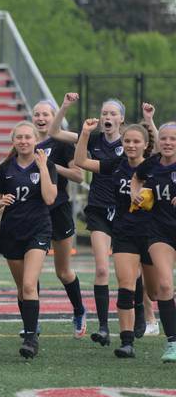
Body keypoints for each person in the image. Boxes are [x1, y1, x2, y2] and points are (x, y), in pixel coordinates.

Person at [50, 94, 157, 338]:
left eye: (112, 113)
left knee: (136, 273)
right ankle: (103, 327)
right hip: (99, 209)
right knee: (101, 269)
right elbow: (55, 131)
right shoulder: (93, 138)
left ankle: (141, 314)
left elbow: (157, 148)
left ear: (121, 118)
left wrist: (150, 121)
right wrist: (66, 106)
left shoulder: (132, 143)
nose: (107, 117)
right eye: (104, 113)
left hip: (126, 211)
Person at [75, 118, 155, 358]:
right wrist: (86, 133)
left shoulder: (154, 167)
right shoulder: (116, 165)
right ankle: (126, 341)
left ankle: (144, 311)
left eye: (135, 141)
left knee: (158, 290)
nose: (130, 145)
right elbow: (80, 161)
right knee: (124, 284)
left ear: (145, 144)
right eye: (127, 141)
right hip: (123, 233)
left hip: (151, 234)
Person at [0, 122, 58, 359]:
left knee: (30, 284)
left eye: (28, 137)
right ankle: (30, 325)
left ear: (35, 139)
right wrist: (1, 202)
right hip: (12, 232)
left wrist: (43, 169)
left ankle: (31, 337)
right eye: (19, 137)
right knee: (22, 289)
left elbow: (50, 199)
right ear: (14, 141)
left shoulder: (46, 165)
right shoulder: (4, 169)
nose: (23, 141)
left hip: (38, 230)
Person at [32, 100, 87, 339]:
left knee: (63, 271)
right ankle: (31, 320)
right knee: (30, 272)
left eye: (46, 114)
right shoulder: (26, 142)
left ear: (54, 117)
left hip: (59, 209)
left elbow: (78, 175)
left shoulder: (62, 143)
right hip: (33, 212)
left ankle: (79, 310)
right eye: (37, 114)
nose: (41, 118)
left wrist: (50, 166)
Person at [131, 122, 176, 362]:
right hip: (160, 232)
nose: (168, 142)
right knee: (164, 287)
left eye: (173, 139)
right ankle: (173, 343)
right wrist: (135, 194)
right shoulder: (152, 164)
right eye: (165, 138)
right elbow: (136, 178)